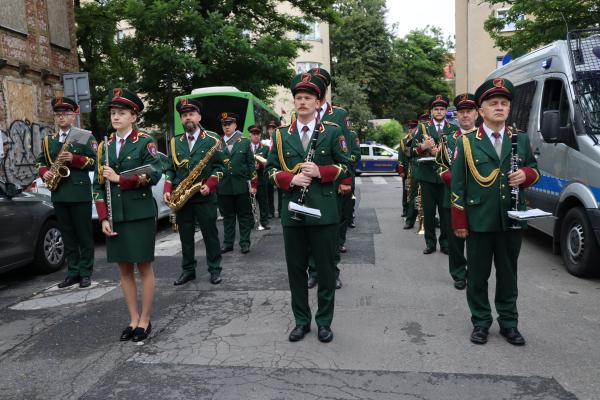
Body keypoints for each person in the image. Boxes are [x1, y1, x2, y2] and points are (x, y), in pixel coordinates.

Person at [451, 78, 540, 346]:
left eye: (504, 103)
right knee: (477, 277)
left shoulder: (520, 139)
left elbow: (535, 170)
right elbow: (457, 187)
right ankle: (480, 322)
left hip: (512, 218)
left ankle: (509, 323)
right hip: (479, 220)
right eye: (493, 104)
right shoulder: (466, 143)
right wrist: (460, 222)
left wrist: (524, 175)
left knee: (508, 276)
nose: (499, 108)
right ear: (481, 111)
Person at [266, 72, 351, 343]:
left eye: (308, 98)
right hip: (293, 211)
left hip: (324, 212)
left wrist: (321, 171)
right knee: (296, 271)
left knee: (325, 271)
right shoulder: (280, 136)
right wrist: (290, 178)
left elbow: (348, 165)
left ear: (319, 102)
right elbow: (269, 170)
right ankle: (301, 321)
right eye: (298, 98)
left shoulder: (333, 132)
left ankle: (324, 322)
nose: (302, 102)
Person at [93, 88, 163, 342]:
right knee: (124, 270)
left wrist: (121, 179)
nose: (116, 117)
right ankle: (132, 319)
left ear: (133, 116)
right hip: (115, 215)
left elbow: (154, 173)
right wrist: (102, 217)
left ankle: (145, 320)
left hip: (139, 214)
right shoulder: (104, 146)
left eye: (121, 113)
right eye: (113, 113)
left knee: (144, 267)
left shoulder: (145, 141)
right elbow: (97, 186)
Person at [36, 97, 97, 289]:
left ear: (74, 116)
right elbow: (40, 162)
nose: (62, 117)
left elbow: (95, 161)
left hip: (80, 193)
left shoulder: (85, 136)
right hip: (59, 193)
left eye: (66, 114)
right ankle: (73, 272)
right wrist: (45, 172)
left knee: (84, 236)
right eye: (58, 114)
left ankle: (86, 273)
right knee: (68, 236)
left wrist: (74, 158)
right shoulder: (48, 141)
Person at [164, 98, 226, 286]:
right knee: (186, 237)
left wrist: (210, 183)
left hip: (204, 195)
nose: (187, 118)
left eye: (191, 114)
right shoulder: (175, 142)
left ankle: (215, 270)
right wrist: (168, 189)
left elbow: (222, 166)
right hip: (183, 198)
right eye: (184, 115)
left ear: (198, 116)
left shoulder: (213, 139)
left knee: (210, 235)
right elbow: (169, 168)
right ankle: (188, 270)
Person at [306, 67, 354, 290]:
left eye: (319, 85)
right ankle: (313, 272)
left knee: (331, 232)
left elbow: (349, 151)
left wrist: (346, 180)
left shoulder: (339, 114)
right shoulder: (302, 111)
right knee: (309, 229)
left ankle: (332, 272)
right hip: (307, 184)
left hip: (333, 182)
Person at [437, 93, 478, 290]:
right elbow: (441, 167)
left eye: (469, 111)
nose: (465, 115)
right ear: (457, 115)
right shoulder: (448, 139)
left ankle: (475, 272)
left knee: (478, 240)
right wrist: (458, 182)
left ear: (477, 114)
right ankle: (459, 274)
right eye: (461, 112)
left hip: (480, 199)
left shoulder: (484, 137)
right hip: (452, 198)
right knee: (455, 241)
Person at [412, 95, 457, 254]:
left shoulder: (453, 129)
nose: (439, 112)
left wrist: (442, 152)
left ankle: (445, 243)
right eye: (436, 109)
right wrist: (424, 146)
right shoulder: (422, 127)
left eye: (442, 109)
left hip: (445, 178)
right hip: (427, 177)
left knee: (446, 213)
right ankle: (430, 243)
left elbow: (458, 151)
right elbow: (411, 151)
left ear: (446, 111)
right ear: (431, 111)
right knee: (429, 213)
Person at [217, 112, 257, 254]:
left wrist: (253, 184)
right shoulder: (217, 143)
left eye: (229, 124)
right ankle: (228, 243)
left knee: (244, 216)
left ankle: (245, 243)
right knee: (228, 217)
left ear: (235, 125)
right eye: (224, 125)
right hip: (224, 186)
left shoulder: (244, 141)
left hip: (241, 185)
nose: (226, 127)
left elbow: (251, 164)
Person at [249, 124, 271, 230]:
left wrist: (261, 166)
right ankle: (251, 222)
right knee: (249, 203)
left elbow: (269, 163)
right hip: (249, 180)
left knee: (263, 202)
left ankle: (264, 222)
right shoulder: (246, 148)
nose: (256, 136)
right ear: (250, 136)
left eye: (258, 134)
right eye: (254, 134)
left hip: (261, 179)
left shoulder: (265, 149)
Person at [265, 120, 279, 218]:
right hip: (269, 167)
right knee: (269, 192)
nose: (271, 130)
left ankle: (281, 211)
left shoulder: (279, 140)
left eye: (273, 128)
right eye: (269, 129)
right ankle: (270, 211)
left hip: (279, 167)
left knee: (281, 191)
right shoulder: (265, 142)